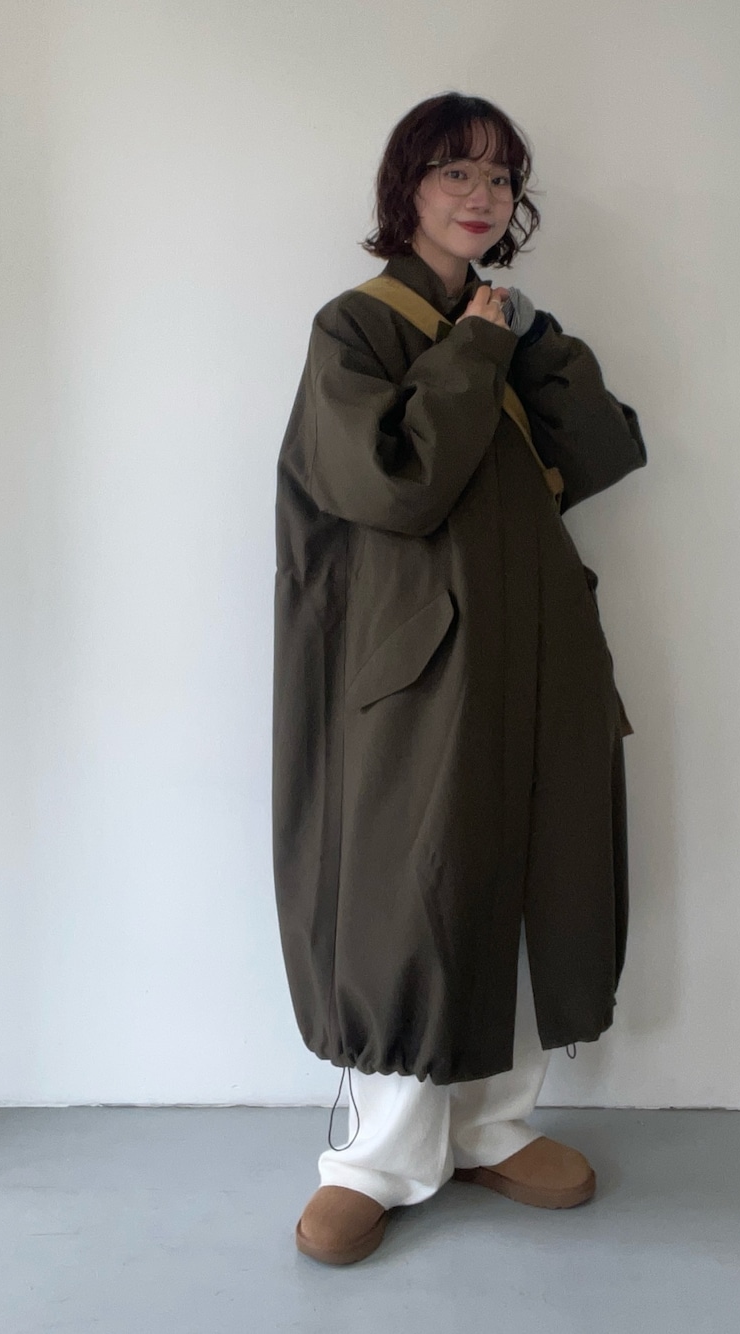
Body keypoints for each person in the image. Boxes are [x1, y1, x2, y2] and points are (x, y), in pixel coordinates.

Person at [272, 92, 647, 1265]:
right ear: (408, 188)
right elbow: (394, 487)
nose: (482, 197)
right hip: (417, 669)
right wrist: (476, 350)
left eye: (500, 178)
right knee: (410, 896)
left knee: (531, 874)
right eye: (456, 173)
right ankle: (376, 1159)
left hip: (534, 647)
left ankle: (491, 1127)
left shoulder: (507, 323)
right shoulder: (355, 328)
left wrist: (526, 339)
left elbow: (602, 451)